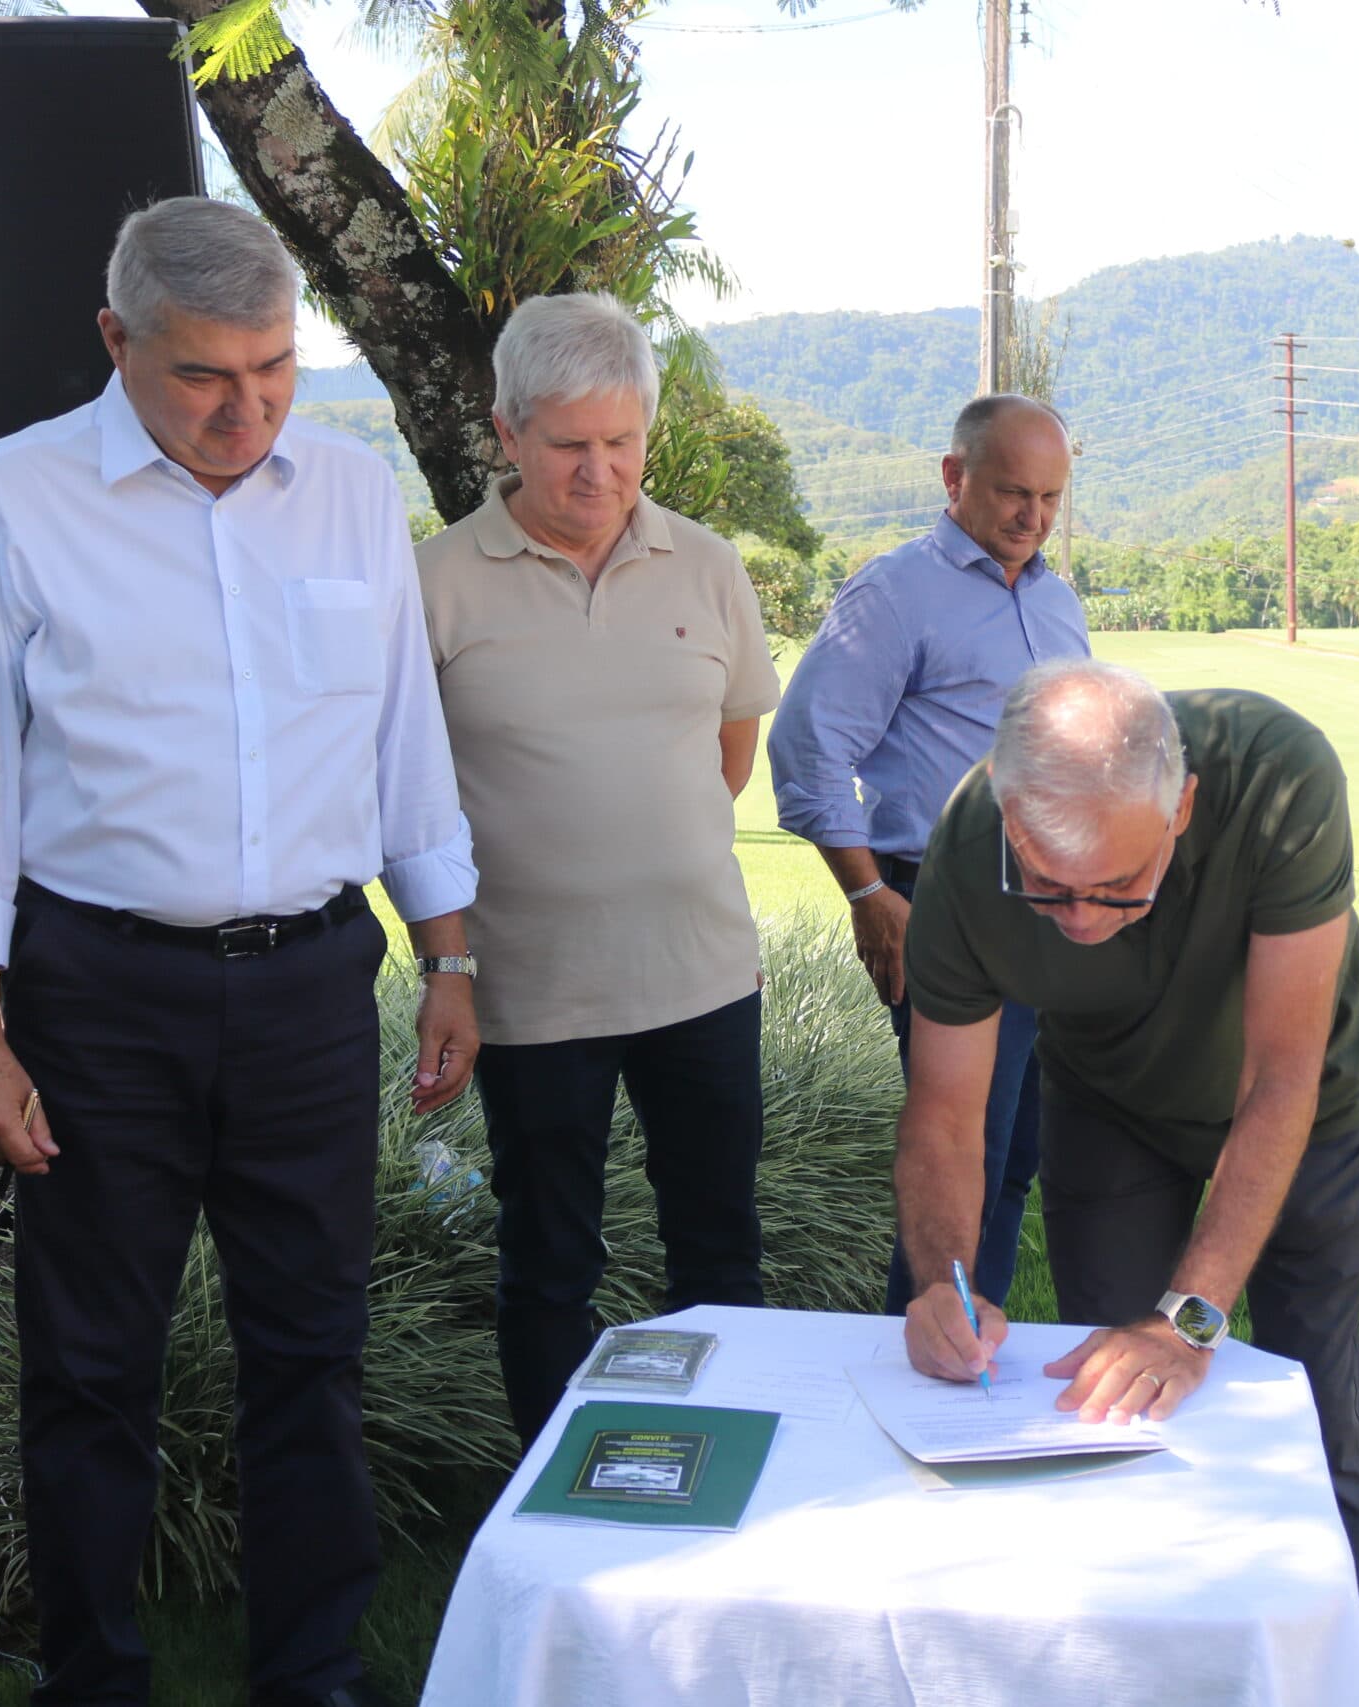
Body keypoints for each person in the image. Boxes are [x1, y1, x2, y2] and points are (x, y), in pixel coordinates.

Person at [0, 197, 477, 1707]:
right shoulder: (11, 501)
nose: (248, 407)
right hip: (97, 994)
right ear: (116, 340)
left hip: (309, 984)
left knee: (313, 1352)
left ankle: (315, 1673)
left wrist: (450, 954)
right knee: (91, 1372)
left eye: (277, 367)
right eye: (206, 375)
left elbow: (403, 736)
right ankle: (93, 1678)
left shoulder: (352, 492)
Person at [892, 658, 1359, 1598]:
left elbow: (1279, 1076)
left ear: (1184, 807)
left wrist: (1190, 1320)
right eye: (1046, 885)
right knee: (1104, 1393)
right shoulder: (963, 854)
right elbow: (946, 1116)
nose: (1081, 918)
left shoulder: (1283, 776)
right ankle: (1137, 1617)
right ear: (1008, 814)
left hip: (1304, 1106)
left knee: (1305, 1374)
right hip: (1108, 1101)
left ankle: (1347, 1621)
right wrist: (942, 1288)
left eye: (1120, 885)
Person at [416, 292, 781, 1449]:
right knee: (549, 1264)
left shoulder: (709, 567)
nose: (598, 471)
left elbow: (729, 752)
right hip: (531, 994)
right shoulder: (435, 583)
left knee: (719, 1248)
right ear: (506, 431)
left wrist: (635, 850)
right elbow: (407, 798)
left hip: (702, 980)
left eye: (621, 443)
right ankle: (557, 1510)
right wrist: (453, 964)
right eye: (569, 445)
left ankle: (721, 1475)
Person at [768, 394, 1086, 1314]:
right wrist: (869, 893)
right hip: (947, 908)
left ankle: (973, 1338)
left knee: (1017, 1154)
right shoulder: (896, 592)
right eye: (1013, 492)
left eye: (1051, 498)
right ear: (954, 478)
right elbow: (807, 749)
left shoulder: (1058, 599)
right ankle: (928, 1359)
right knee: (961, 1155)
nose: (1032, 518)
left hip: (1053, 911)